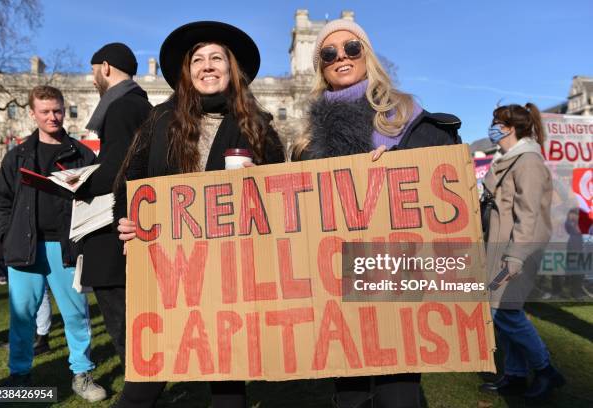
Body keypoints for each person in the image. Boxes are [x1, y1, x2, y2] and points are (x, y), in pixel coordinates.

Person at [292, 18, 462, 408]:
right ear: (320, 64)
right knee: (349, 392)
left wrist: (399, 163)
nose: (341, 58)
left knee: (397, 390)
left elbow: (442, 184)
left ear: (367, 54)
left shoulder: (404, 114)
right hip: (332, 275)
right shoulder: (307, 136)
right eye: (328, 53)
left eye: (351, 48)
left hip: (395, 271)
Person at [114, 21, 284, 408]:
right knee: (145, 381)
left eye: (216, 59)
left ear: (232, 69)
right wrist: (125, 221)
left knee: (227, 382)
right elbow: (130, 181)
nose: (207, 67)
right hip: (165, 271)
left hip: (230, 274)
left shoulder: (258, 128)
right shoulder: (159, 120)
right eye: (198, 60)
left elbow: (281, 197)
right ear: (188, 73)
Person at [0, 85, 107, 402]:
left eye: (57, 110)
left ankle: (82, 374)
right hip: (24, 249)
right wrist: (5, 234)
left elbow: (98, 200)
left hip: (66, 248)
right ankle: (20, 376)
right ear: (32, 114)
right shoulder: (18, 156)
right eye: (45, 111)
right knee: (22, 315)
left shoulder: (82, 154)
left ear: (64, 109)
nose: (53, 117)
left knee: (75, 314)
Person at [479, 103, 565, 398]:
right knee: (502, 311)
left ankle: (545, 370)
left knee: (505, 312)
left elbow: (528, 214)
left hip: (517, 249)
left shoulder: (527, 161)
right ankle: (515, 375)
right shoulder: (510, 159)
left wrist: (516, 256)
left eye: (496, 122)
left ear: (509, 127)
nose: (491, 127)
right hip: (500, 246)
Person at [74, 42, 151, 368]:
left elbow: (118, 167)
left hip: (111, 227)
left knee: (120, 321)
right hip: (134, 217)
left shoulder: (119, 108)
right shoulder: (141, 105)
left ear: (105, 67)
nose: (93, 79)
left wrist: (75, 183)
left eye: (94, 71)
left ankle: (138, 390)